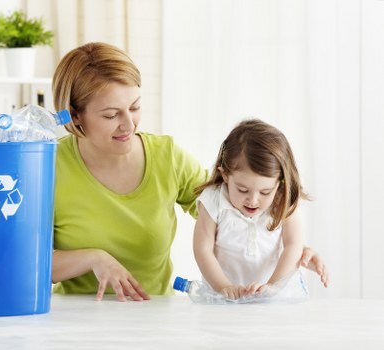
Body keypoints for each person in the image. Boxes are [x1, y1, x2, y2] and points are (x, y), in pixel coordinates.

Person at [51, 42, 328, 302]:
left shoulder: (167, 159)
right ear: (75, 115)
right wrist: (93, 258)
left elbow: (235, 214)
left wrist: (288, 247)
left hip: (153, 313)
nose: (129, 124)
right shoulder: (49, 167)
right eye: (111, 115)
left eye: (134, 107)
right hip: (75, 315)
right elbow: (25, 262)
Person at [193, 119, 324, 300]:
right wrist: (224, 287)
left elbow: (293, 245)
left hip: (275, 298)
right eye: (242, 190)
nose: (253, 200)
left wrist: (271, 287)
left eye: (265, 192)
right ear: (225, 175)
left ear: (279, 183)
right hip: (223, 299)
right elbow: (202, 249)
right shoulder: (213, 200)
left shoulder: (283, 201)